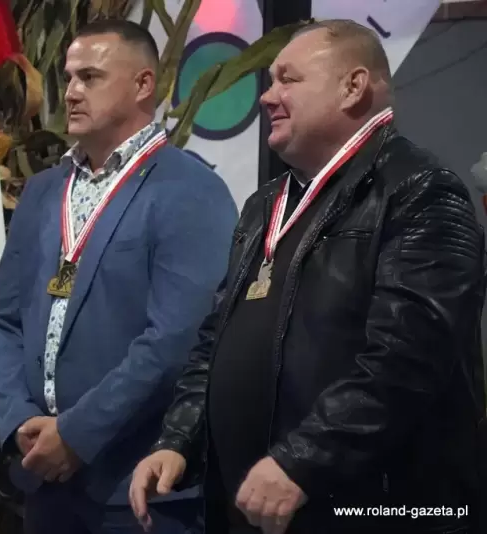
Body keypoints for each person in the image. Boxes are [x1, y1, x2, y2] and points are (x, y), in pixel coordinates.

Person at [129, 19, 487, 534]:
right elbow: (215, 340)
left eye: (288, 79)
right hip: (252, 510)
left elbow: (408, 359)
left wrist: (302, 461)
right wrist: (178, 439)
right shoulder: (264, 206)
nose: (266, 96)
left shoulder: (419, 191)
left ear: (353, 87)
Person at [0, 18, 238, 534]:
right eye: (70, 77)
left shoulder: (190, 189)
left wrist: (76, 435)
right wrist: (18, 419)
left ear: (143, 84)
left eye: (90, 77)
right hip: (41, 475)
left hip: (136, 486)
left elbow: (176, 341)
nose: (71, 92)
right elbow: (3, 320)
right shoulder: (42, 191)